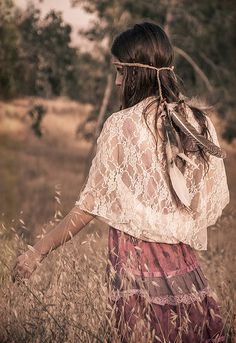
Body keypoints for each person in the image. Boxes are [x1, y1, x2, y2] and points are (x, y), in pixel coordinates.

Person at [12, 22, 230, 342]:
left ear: (135, 73)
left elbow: (88, 208)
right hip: (183, 263)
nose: (117, 82)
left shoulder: (121, 126)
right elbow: (204, 202)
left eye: (119, 71)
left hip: (134, 263)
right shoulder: (197, 120)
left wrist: (36, 253)